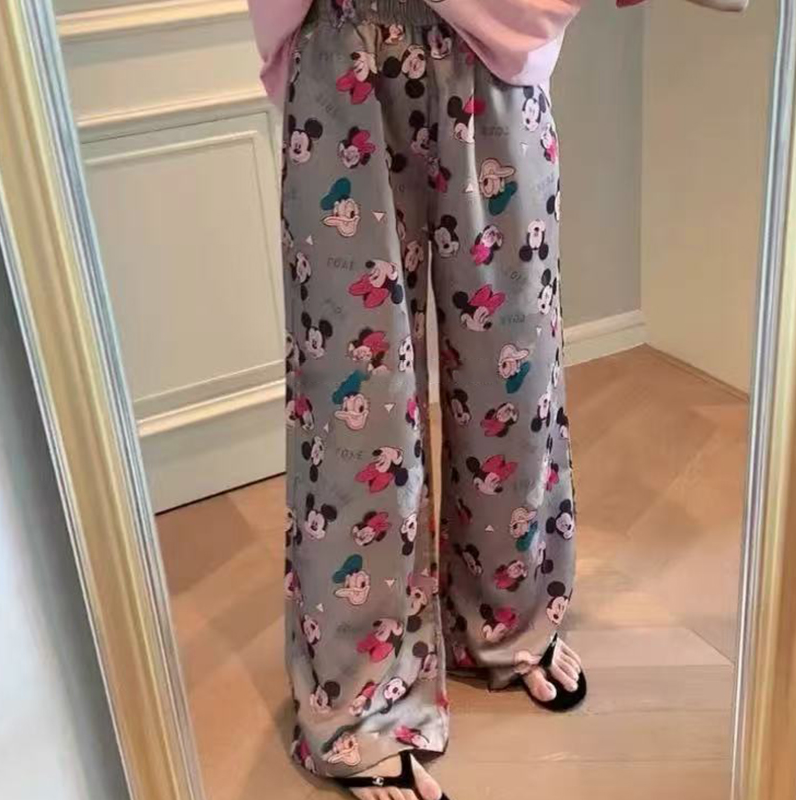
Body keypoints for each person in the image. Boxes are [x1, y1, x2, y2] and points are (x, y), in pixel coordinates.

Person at [249, 1, 592, 798]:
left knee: (515, 368)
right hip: (343, 44)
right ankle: (362, 687)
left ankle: (506, 612)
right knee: (354, 400)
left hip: (499, 48)